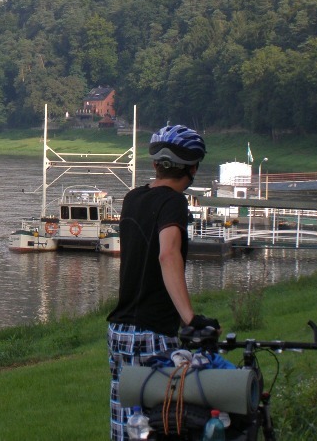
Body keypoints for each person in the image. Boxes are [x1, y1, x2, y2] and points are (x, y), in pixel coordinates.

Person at [106, 124, 220, 441]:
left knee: (127, 425)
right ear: (193, 167)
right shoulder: (173, 203)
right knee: (163, 424)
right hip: (153, 332)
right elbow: (167, 254)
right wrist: (191, 319)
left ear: (156, 164)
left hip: (119, 330)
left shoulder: (132, 199)